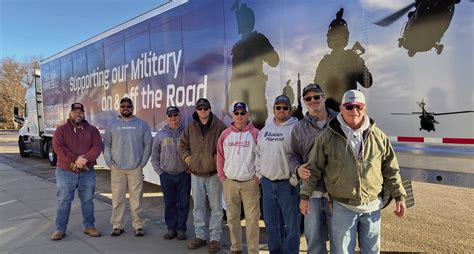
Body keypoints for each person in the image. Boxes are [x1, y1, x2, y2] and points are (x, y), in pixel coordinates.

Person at [300, 90, 407, 253]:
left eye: (358, 106)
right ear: (342, 108)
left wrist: (399, 196)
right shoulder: (327, 136)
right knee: (342, 251)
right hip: (343, 207)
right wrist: (305, 196)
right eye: (349, 106)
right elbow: (314, 168)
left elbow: (390, 169)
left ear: (364, 108)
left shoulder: (378, 136)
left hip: (371, 207)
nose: (354, 111)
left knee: (371, 250)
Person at [288, 83, 336, 254]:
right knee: (314, 242)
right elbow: (292, 154)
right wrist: (297, 169)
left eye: (317, 96)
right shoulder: (299, 128)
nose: (313, 100)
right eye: (308, 98)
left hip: (336, 193)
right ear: (304, 102)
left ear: (323, 97)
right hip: (311, 193)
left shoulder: (339, 121)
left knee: (340, 241)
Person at [179, 98, 227, 252]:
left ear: (210, 109)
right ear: (196, 110)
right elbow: (183, 145)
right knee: (198, 207)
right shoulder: (191, 127)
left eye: (205, 108)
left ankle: (215, 239)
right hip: (196, 174)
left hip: (213, 174)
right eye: (199, 108)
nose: (202, 111)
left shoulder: (219, 126)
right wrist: (189, 159)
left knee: (216, 208)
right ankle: (200, 236)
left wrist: (214, 161)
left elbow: (226, 147)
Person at [50, 103, 103, 240]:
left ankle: (89, 226)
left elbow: (97, 147)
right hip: (65, 172)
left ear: (84, 113)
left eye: (80, 112)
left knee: (87, 199)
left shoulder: (92, 130)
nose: (77, 114)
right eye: (75, 111)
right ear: (70, 113)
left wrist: (85, 159)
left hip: (87, 172)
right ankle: (60, 229)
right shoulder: (61, 131)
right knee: (64, 200)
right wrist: (75, 159)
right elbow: (59, 149)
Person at [256, 95, 300, 253]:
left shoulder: (296, 128)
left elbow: (301, 155)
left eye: (284, 108)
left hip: (288, 185)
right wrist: (261, 176)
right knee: (272, 226)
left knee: (292, 226)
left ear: (290, 110)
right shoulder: (266, 130)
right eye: (278, 107)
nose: (281, 110)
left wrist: (295, 180)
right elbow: (258, 153)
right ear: (273, 109)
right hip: (268, 185)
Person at [103, 97, 153, 237]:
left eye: (128, 106)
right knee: (117, 198)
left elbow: (148, 144)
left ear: (132, 108)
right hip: (117, 169)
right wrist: (109, 163)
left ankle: (138, 225)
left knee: (136, 198)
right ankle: (117, 225)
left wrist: (142, 163)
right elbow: (106, 144)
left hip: (135, 168)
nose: (126, 108)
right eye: (123, 105)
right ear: (119, 108)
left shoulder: (142, 125)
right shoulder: (112, 124)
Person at [217, 102, 260, 254]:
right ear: (233, 115)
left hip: (250, 183)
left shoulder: (255, 134)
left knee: (252, 220)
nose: (240, 116)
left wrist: (257, 177)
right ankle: (236, 247)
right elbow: (220, 157)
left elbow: (261, 157)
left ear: (247, 115)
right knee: (232, 218)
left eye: (243, 113)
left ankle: (253, 250)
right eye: (237, 113)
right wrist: (223, 177)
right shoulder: (225, 135)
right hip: (230, 183)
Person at [150, 106, 190, 240]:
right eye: (170, 115)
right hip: (166, 175)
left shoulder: (186, 132)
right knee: (169, 203)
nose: (173, 118)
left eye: (175, 115)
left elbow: (193, 152)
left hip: (184, 174)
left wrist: (190, 167)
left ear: (180, 116)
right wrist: (159, 172)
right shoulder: (161, 134)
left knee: (184, 203)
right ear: (167, 117)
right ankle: (171, 228)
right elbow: (154, 154)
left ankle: (181, 229)